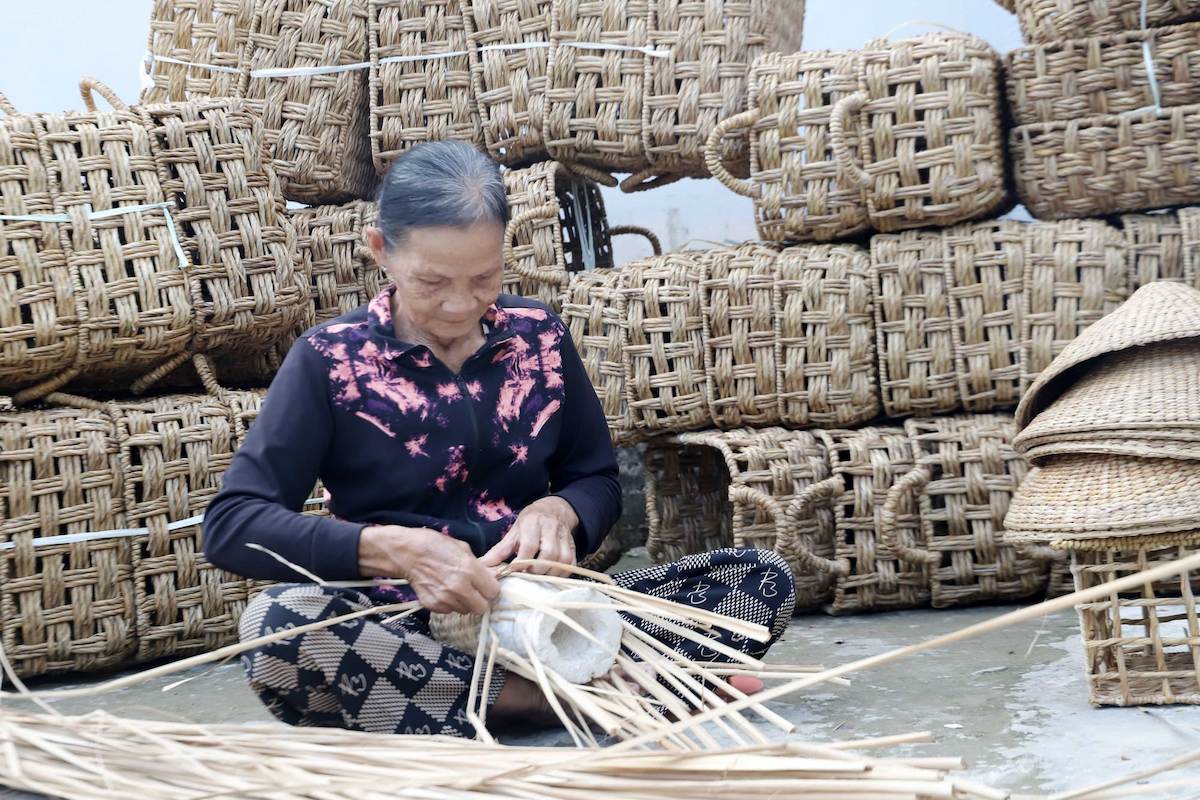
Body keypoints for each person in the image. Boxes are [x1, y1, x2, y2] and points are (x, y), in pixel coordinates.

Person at [203, 141, 796, 737]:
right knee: (281, 628)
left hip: (541, 614)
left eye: (484, 277)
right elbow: (233, 525)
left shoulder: (538, 335)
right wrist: (391, 550)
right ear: (380, 250)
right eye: (431, 281)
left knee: (758, 580)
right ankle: (563, 698)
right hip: (403, 621)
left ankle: (521, 690)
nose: (460, 304)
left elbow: (595, 478)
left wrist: (559, 511)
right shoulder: (331, 359)